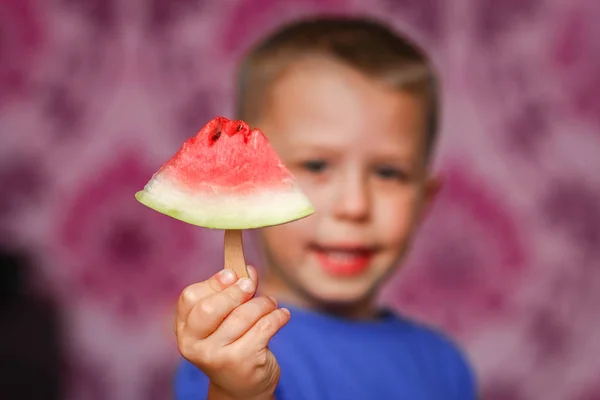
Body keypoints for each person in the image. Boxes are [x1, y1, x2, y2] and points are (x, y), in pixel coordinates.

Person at [173, 16, 478, 400]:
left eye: (388, 173)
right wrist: (237, 390)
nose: (354, 206)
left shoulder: (445, 364)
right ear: (249, 181)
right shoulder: (232, 355)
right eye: (317, 165)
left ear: (424, 199)